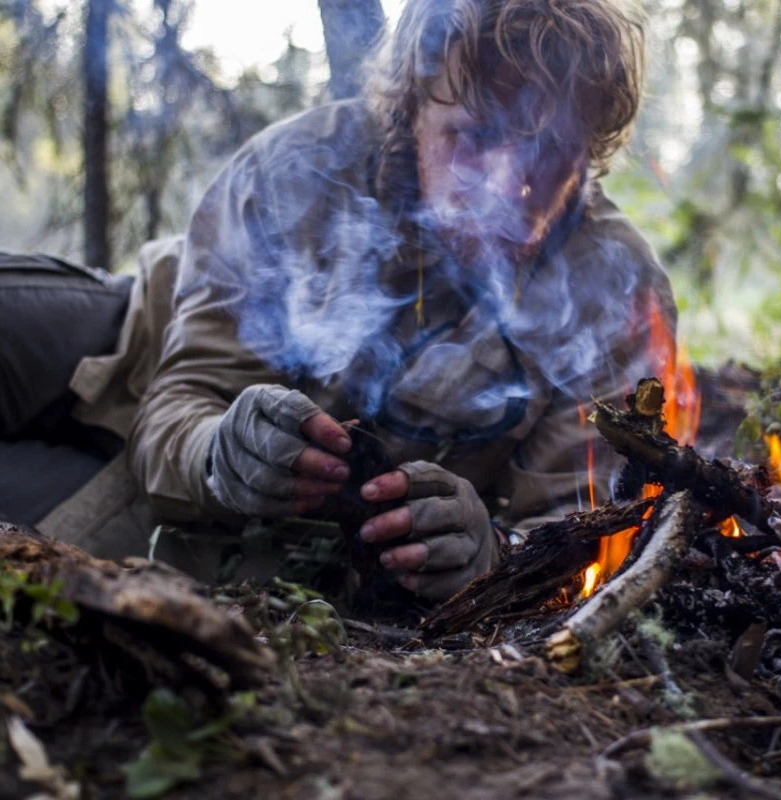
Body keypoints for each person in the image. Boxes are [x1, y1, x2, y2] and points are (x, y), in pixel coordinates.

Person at [0, 0, 676, 601]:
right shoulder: (299, 165)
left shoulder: (615, 294)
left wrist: (489, 551)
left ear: (592, 146)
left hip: (201, 509)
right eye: (471, 136)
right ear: (412, 108)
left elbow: (582, 533)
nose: (507, 184)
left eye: (549, 146)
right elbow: (184, 398)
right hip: (132, 331)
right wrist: (220, 451)